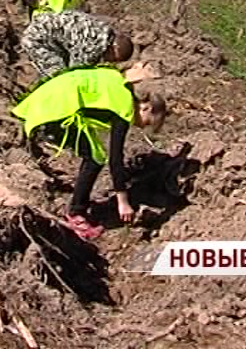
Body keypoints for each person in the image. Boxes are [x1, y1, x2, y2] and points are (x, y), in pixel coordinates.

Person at [11, 66, 167, 239]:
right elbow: (116, 160)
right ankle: (76, 215)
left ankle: (77, 208)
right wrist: (123, 202)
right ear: (146, 108)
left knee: (96, 156)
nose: (141, 126)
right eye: (147, 123)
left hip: (50, 100)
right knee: (94, 159)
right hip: (56, 110)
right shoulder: (124, 107)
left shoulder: (120, 88)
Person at [20, 9, 134, 80]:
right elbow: (76, 72)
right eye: (113, 58)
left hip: (43, 24)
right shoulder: (96, 47)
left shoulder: (102, 28)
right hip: (39, 40)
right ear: (114, 48)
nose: (109, 61)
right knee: (60, 79)